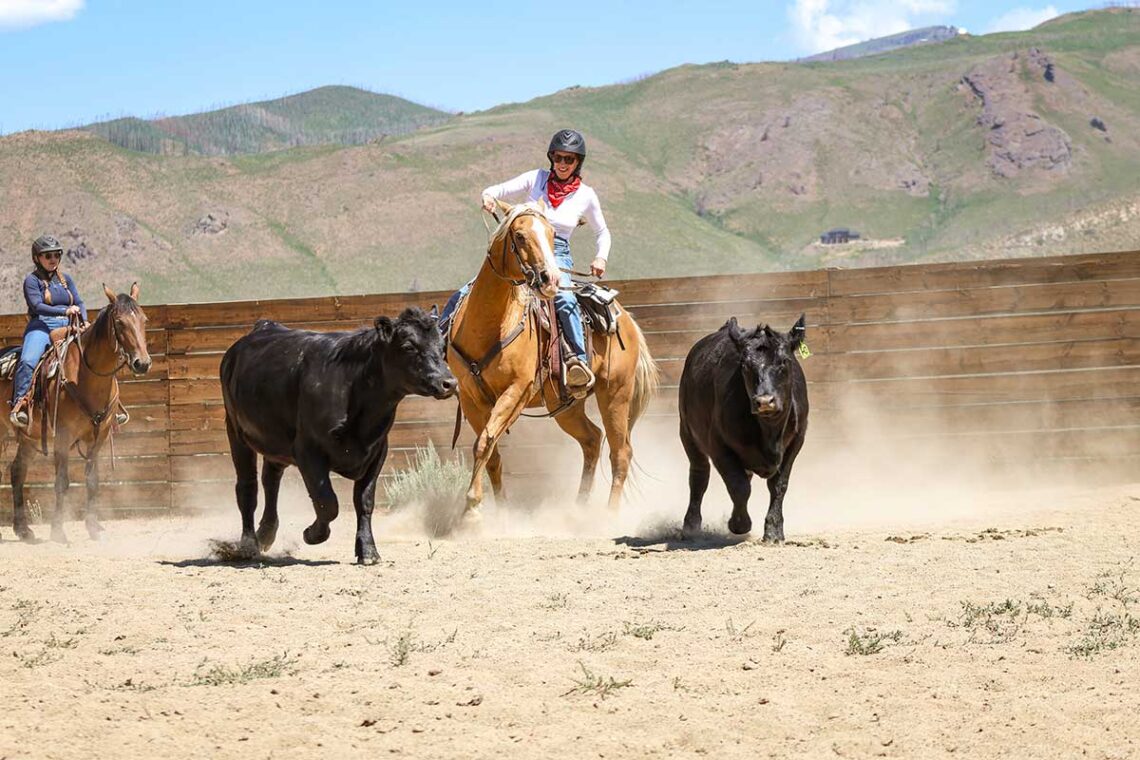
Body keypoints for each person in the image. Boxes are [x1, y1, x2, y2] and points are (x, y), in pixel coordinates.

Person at [440, 129, 611, 397]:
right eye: (558, 158)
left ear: (578, 162)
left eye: (569, 159)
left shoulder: (586, 195)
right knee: (465, 293)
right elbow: (498, 190)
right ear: (551, 158)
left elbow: (603, 232)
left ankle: (577, 361)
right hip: (522, 252)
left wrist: (601, 256)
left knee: (564, 300)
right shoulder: (536, 178)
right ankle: (440, 349)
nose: (562, 164)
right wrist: (488, 196)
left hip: (556, 254)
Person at [9, 235, 88, 428]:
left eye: (56, 255)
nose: (53, 259)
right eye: (47, 255)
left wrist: (84, 320)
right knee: (28, 361)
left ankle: (111, 407)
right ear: (37, 258)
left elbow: (79, 302)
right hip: (42, 326)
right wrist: (64, 310)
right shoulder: (31, 281)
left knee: (96, 354)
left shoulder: (66, 280)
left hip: (69, 326)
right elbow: (36, 306)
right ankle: (20, 403)